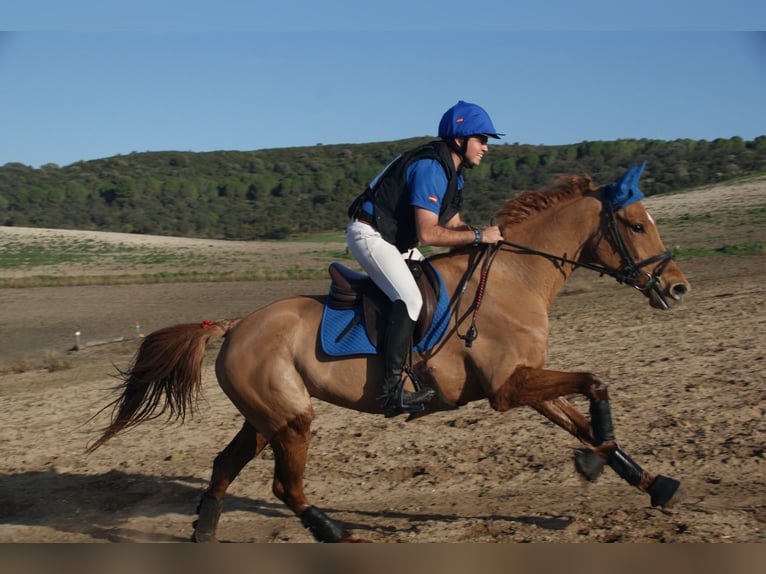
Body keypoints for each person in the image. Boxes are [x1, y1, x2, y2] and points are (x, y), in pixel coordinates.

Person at [346, 100, 504, 417]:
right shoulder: (432, 167)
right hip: (371, 236)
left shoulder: (453, 172)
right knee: (412, 300)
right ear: (461, 139)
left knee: (437, 287)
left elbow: (453, 224)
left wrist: (488, 236)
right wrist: (477, 237)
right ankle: (390, 392)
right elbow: (430, 235)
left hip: (396, 241)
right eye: (482, 139)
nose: (486, 147)